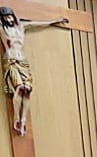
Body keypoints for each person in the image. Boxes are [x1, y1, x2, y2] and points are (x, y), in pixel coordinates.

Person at [2, 6, 65, 137]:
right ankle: (16, 119)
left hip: (23, 61)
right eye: (5, 17)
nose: (9, 19)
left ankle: (23, 120)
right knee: (19, 88)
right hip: (11, 60)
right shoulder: (2, 29)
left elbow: (38, 24)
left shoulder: (21, 26)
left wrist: (56, 20)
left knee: (27, 90)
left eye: (10, 16)